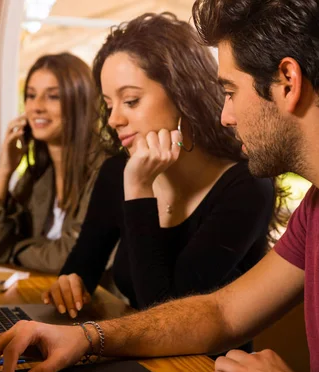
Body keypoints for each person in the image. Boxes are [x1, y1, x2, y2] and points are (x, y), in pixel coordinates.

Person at [0, 0, 319, 372]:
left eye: (229, 91)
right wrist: (87, 338)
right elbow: (221, 313)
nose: (224, 115)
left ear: (287, 81)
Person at [41, 12, 287, 333]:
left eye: (131, 100)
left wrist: (139, 188)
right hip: (134, 354)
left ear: (183, 95)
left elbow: (166, 313)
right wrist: (69, 284)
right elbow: (80, 268)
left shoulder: (246, 187)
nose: (114, 119)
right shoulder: (118, 172)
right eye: (108, 104)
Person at [0, 53, 104, 273]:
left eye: (53, 96)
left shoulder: (104, 170)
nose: (36, 107)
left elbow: (72, 257)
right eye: (31, 96)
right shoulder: (38, 175)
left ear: (80, 102)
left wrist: (14, 251)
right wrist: (4, 172)